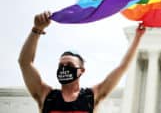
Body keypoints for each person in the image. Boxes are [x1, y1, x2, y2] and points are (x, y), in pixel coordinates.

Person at [18, 11, 146, 113]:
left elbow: (122, 67)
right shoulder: (46, 95)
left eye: (69, 65)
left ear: (81, 71)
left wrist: (137, 37)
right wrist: (36, 30)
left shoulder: (92, 96)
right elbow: (25, 63)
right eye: (61, 65)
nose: (64, 68)